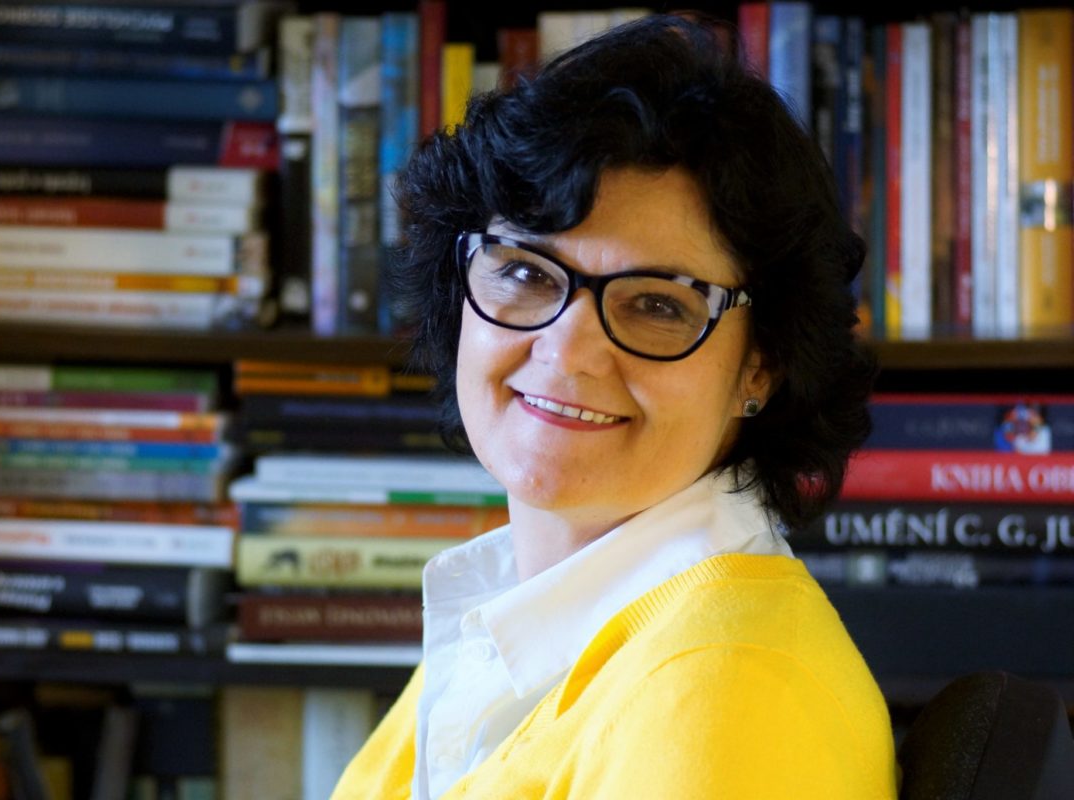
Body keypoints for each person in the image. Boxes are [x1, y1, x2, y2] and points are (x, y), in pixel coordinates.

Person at [332, 13, 898, 799]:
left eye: (658, 305)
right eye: (525, 272)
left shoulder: (723, 689)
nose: (567, 351)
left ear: (761, 365)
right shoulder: (516, 622)